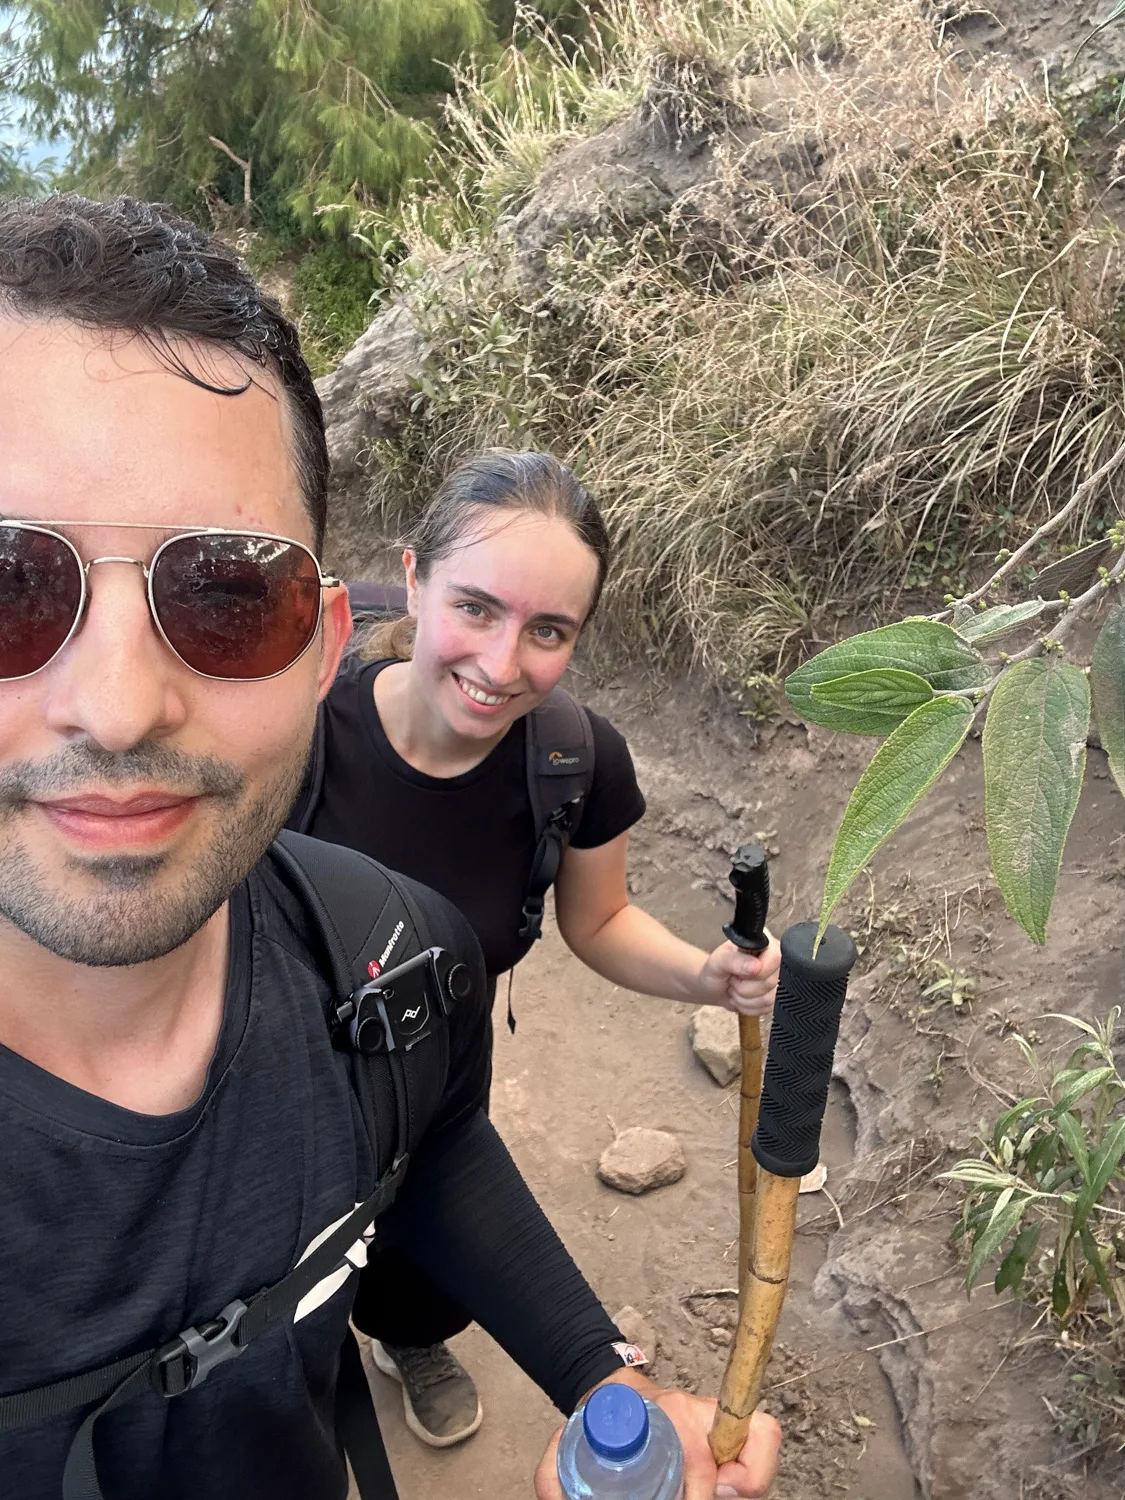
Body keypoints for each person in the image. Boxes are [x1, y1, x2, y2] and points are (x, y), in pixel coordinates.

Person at [0, 192, 781, 1500]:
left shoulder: (395, 947)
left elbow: (431, 1131)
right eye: (12, 588)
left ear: (312, 637)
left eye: (224, 593)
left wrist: (602, 1378)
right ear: (401, 593)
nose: (121, 706)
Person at [288, 448, 785, 1448]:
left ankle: (410, 1339)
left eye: (548, 630)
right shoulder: (296, 735)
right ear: (416, 579)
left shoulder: (572, 760)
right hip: (279, 1079)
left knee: (419, 1267)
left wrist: (706, 974)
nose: (505, 662)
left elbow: (596, 920)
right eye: (475, 607)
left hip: (435, 1084)